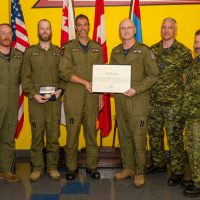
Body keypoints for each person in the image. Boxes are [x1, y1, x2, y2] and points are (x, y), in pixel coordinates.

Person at [110, 19, 159, 187]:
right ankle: (128, 168)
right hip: (120, 99)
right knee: (124, 135)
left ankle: (139, 171)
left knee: (138, 136)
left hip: (138, 99)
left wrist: (136, 89)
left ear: (134, 30)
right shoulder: (115, 51)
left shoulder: (144, 50)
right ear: (119, 31)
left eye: (129, 28)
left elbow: (153, 75)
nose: (125, 31)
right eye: (122, 28)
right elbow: (111, 75)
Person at [147, 17, 193, 186]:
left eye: (170, 28)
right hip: (154, 102)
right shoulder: (152, 50)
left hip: (174, 104)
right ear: (161, 30)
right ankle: (158, 163)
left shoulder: (183, 52)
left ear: (175, 30)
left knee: (174, 137)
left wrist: (185, 103)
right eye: (164, 27)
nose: (166, 30)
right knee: (155, 134)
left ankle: (178, 170)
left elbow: (190, 79)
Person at [59, 14, 104, 180]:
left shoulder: (97, 48)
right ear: (76, 28)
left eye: (85, 25)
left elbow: (101, 74)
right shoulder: (69, 47)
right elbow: (64, 72)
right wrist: (85, 82)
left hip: (92, 97)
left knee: (91, 133)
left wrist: (100, 96)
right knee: (72, 133)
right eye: (80, 25)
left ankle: (92, 166)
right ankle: (71, 167)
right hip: (74, 97)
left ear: (89, 26)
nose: (83, 28)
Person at [21, 19, 63, 181]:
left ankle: (52, 167)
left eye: (47, 28)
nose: (45, 31)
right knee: (37, 134)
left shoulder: (59, 52)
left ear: (51, 30)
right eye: (42, 28)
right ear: (38, 31)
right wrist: (33, 94)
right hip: (36, 101)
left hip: (54, 101)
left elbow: (64, 75)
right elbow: (25, 77)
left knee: (53, 134)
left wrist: (60, 90)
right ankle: (37, 167)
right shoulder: (30, 52)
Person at [0, 23, 23, 183]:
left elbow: (26, 78)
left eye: (9, 33)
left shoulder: (18, 56)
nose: (6, 36)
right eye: (3, 33)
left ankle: (6, 170)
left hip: (13, 100)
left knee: (8, 136)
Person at [182, 30, 200, 197]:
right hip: (191, 115)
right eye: (196, 42)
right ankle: (196, 178)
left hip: (198, 115)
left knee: (197, 149)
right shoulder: (195, 63)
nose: (197, 45)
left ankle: (198, 183)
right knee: (191, 147)